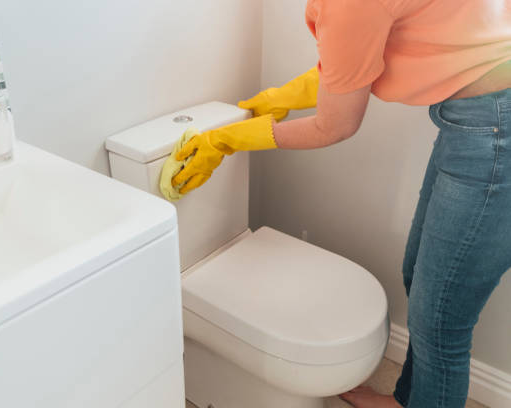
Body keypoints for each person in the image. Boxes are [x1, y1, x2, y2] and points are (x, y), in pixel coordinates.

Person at [171, 1, 511, 407]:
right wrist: (284, 96)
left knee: (440, 322)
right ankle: (408, 401)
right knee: (421, 282)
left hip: (493, 129)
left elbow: (335, 124)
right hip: (477, 120)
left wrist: (230, 139)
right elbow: (363, 56)